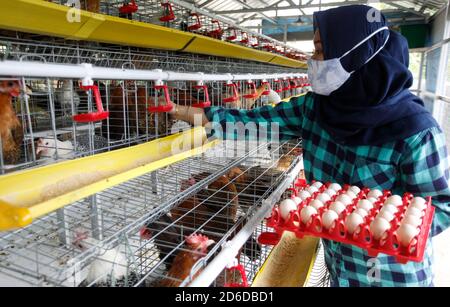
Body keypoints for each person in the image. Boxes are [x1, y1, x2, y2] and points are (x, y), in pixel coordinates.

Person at [169, 5, 450, 287]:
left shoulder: (415, 132)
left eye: (319, 50)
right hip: (339, 265)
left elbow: (442, 207)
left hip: (392, 276)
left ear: (355, 55)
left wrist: (382, 227)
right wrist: (183, 112)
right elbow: (251, 121)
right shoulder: (316, 108)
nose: (312, 60)